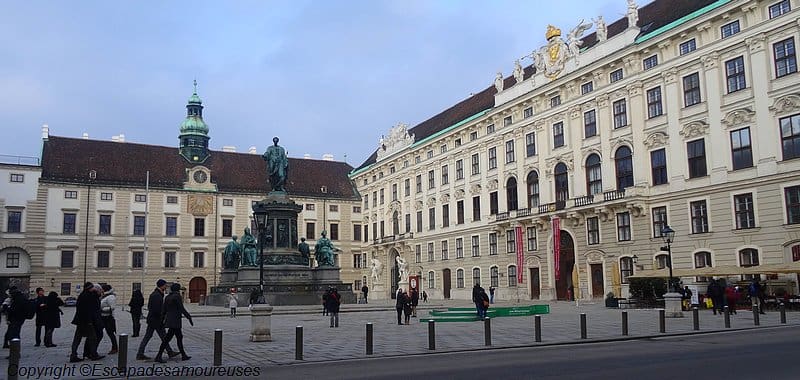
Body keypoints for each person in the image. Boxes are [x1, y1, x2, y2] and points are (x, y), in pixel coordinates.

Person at [137, 279, 178, 361]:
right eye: (165, 285)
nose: (166, 287)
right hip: (156, 320)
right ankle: (140, 353)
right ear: (161, 286)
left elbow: (150, 307)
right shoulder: (157, 295)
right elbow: (157, 310)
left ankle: (140, 353)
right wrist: (162, 318)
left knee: (158, 336)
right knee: (160, 337)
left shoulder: (157, 294)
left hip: (153, 319)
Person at [154, 283, 193, 363]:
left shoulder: (167, 296)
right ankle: (159, 355)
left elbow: (163, 310)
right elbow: (181, 308)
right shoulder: (177, 296)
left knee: (174, 337)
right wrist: (189, 317)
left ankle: (183, 355)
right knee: (173, 338)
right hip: (175, 320)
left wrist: (162, 320)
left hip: (170, 320)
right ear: (177, 289)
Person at [69, 282, 104, 362]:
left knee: (77, 338)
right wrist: (89, 321)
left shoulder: (83, 295)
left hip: (80, 320)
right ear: (90, 288)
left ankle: (73, 355)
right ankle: (93, 354)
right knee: (93, 338)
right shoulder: (87, 296)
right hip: (86, 321)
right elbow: (89, 309)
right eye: (92, 288)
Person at [99, 284, 118, 355]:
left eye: (102, 289)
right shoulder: (104, 296)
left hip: (108, 317)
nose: (101, 290)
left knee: (110, 333)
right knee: (100, 332)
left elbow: (112, 307)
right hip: (102, 317)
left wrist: (102, 309)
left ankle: (115, 348)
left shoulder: (110, 297)